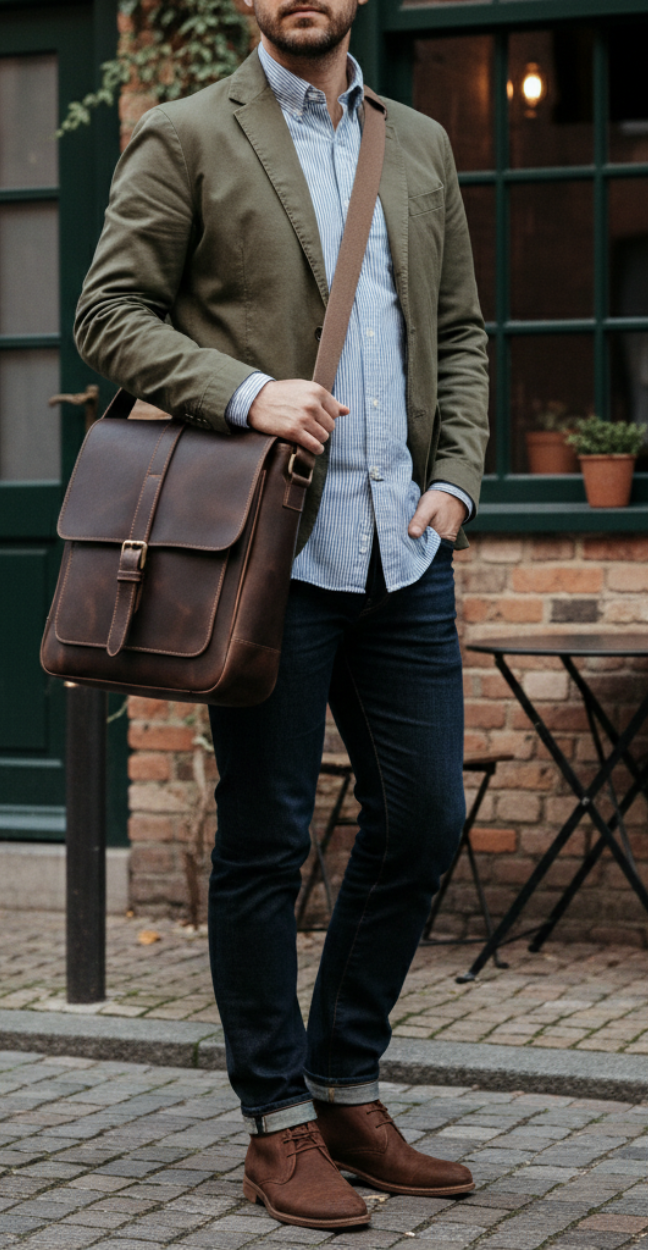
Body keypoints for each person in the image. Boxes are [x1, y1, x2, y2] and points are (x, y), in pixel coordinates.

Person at [74, 0, 489, 1231]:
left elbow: (458, 330)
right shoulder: (189, 133)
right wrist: (247, 390)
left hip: (402, 549)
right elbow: (108, 315)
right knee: (265, 839)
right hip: (266, 555)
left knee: (424, 816)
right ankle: (278, 1121)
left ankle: (346, 1081)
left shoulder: (417, 143)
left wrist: (456, 479)